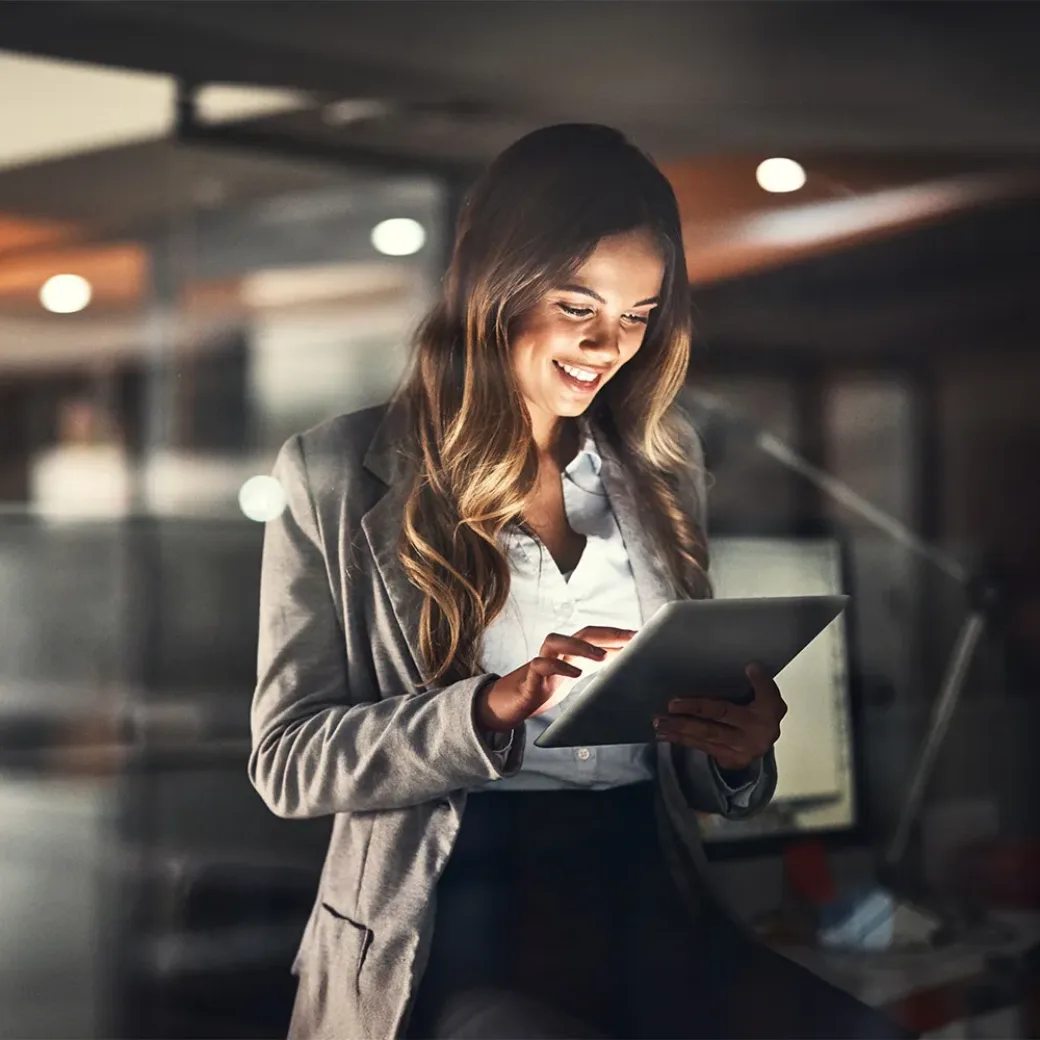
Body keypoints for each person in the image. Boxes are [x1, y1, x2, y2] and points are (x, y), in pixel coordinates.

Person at [250, 124, 905, 1040]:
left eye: (638, 314)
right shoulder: (336, 471)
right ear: (497, 288)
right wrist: (488, 708)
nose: (609, 344)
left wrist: (737, 750)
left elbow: (694, 768)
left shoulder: (663, 477)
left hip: (642, 888)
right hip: (454, 913)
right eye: (577, 304)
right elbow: (287, 760)